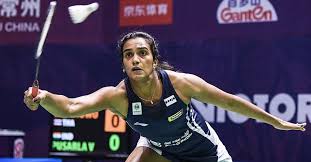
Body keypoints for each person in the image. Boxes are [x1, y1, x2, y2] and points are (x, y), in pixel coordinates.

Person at [24, 31, 306, 162]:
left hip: (207, 155)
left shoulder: (182, 85)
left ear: (154, 60)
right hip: (162, 151)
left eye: (142, 53)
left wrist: (274, 122)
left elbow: (231, 102)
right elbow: (71, 107)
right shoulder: (118, 96)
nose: (135, 60)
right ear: (123, 64)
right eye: (128, 55)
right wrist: (44, 96)